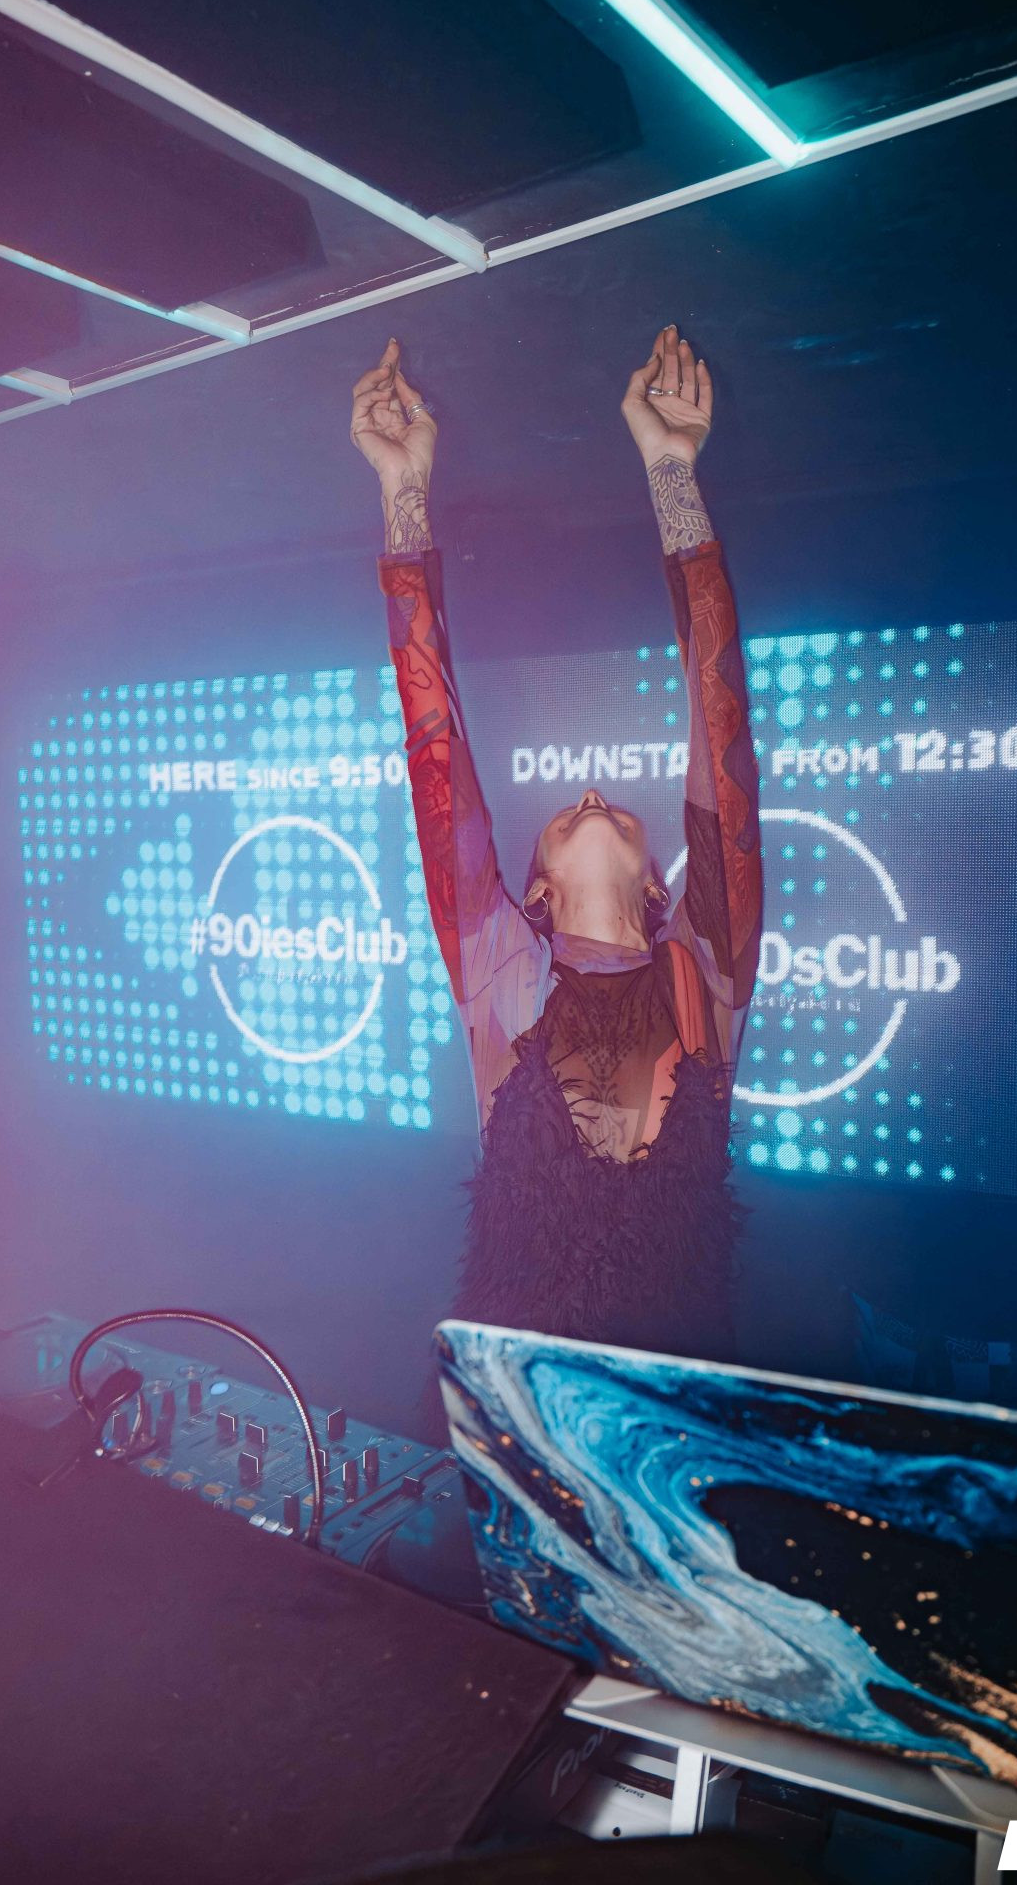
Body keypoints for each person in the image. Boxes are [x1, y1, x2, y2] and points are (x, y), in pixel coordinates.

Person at [350, 326, 762, 1417]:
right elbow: (435, 747)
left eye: (612, 804)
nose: (586, 789)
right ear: (530, 889)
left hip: (678, 1420)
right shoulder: (500, 965)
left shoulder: (706, 968)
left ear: (660, 886)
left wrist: (672, 473)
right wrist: (402, 494)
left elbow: (721, 728)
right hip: (517, 1417)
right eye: (569, 810)